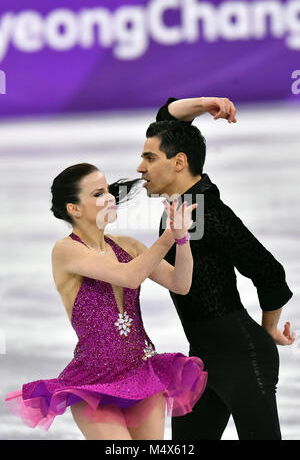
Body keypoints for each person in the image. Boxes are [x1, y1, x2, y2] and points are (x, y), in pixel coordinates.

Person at [4, 163, 208, 440]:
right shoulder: (66, 250)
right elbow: (130, 276)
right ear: (74, 209)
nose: (111, 198)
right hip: (93, 383)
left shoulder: (128, 245)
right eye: (99, 194)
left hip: (142, 373)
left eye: (109, 191)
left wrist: (182, 240)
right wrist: (168, 236)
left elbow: (181, 284)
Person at [135, 96, 295, 440]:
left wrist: (266, 332)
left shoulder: (209, 213)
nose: (140, 168)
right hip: (202, 358)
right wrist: (207, 103)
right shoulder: (185, 202)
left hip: (241, 356)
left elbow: (270, 272)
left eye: (149, 158)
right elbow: (168, 117)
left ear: (179, 162)